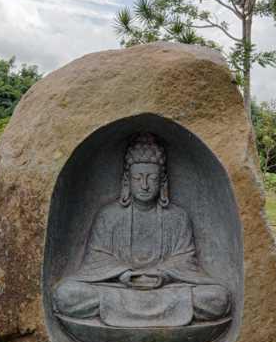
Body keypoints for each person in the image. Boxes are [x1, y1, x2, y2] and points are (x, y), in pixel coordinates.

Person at [53, 132, 230, 329]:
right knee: (66, 294)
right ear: (127, 181)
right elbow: (97, 258)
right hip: (118, 288)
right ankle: (161, 318)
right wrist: (122, 274)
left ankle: (130, 318)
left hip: (167, 289)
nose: (144, 185)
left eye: (152, 179)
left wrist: (162, 274)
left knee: (217, 298)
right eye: (138, 178)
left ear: (162, 182)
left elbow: (185, 259)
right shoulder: (109, 216)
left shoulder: (177, 217)